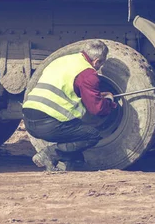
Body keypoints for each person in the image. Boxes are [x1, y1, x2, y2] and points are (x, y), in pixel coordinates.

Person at [22, 40, 117, 171]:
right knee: (92, 135)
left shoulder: (63, 60)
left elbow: (67, 89)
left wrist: (96, 95)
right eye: (101, 64)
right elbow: (97, 109)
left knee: (75, 130)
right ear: (97, 61)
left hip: (29, 119)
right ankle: (50, 154)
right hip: (48, 124)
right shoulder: (88, 74)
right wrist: (109, 103)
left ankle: (72, 162)